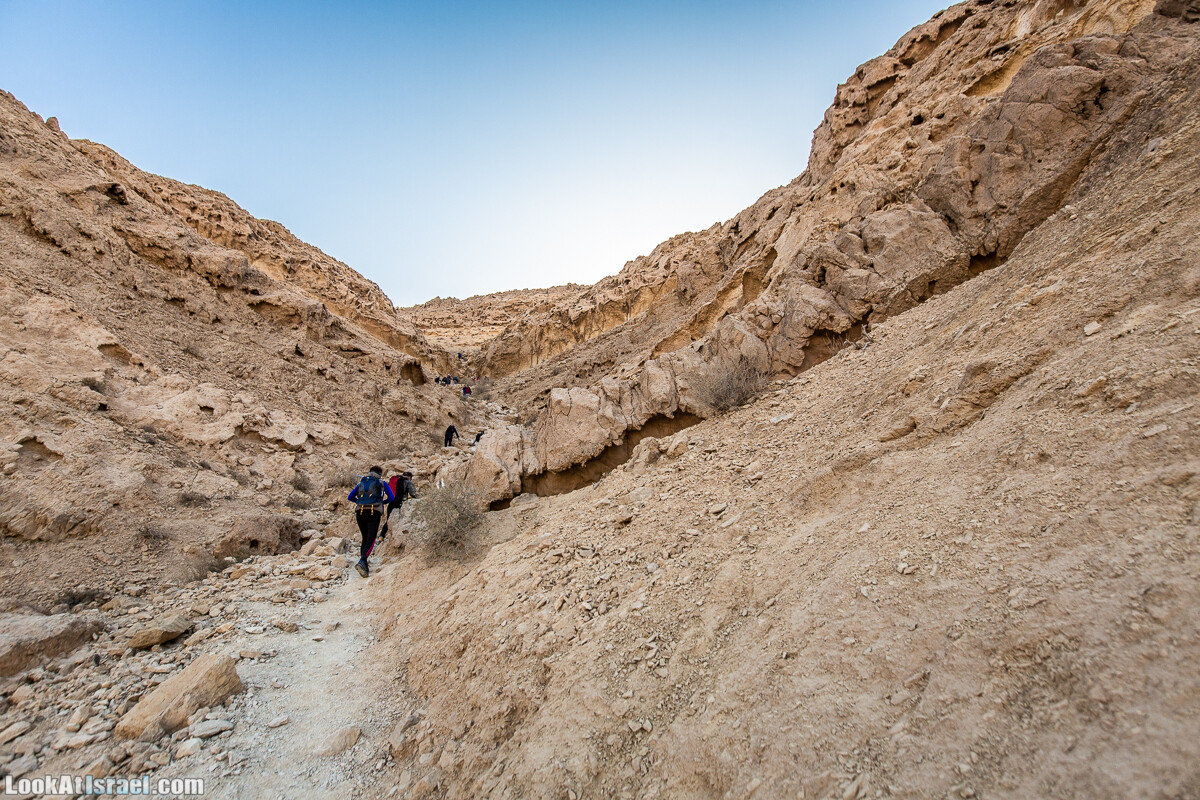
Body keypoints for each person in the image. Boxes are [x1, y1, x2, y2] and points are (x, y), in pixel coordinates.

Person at [347, 466, 394, 578]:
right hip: (374, 513)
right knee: (371, 538)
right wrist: (382, 503)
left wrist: (359, 502)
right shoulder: (381, 483)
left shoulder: (362, 482)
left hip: (360, 512)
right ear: (380, 473)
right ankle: (363, 561)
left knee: (365, 537)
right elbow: (391, 497)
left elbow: (350, 497)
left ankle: (364, 563)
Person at [379, 471, 418, 542]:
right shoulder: (408, 482)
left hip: (391, 503)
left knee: (389, 520)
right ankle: (397, 538)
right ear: (409, 477)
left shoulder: (394, 480)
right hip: (401, 504)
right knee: (400, 521)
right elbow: (413, 493)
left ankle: (381, 536)